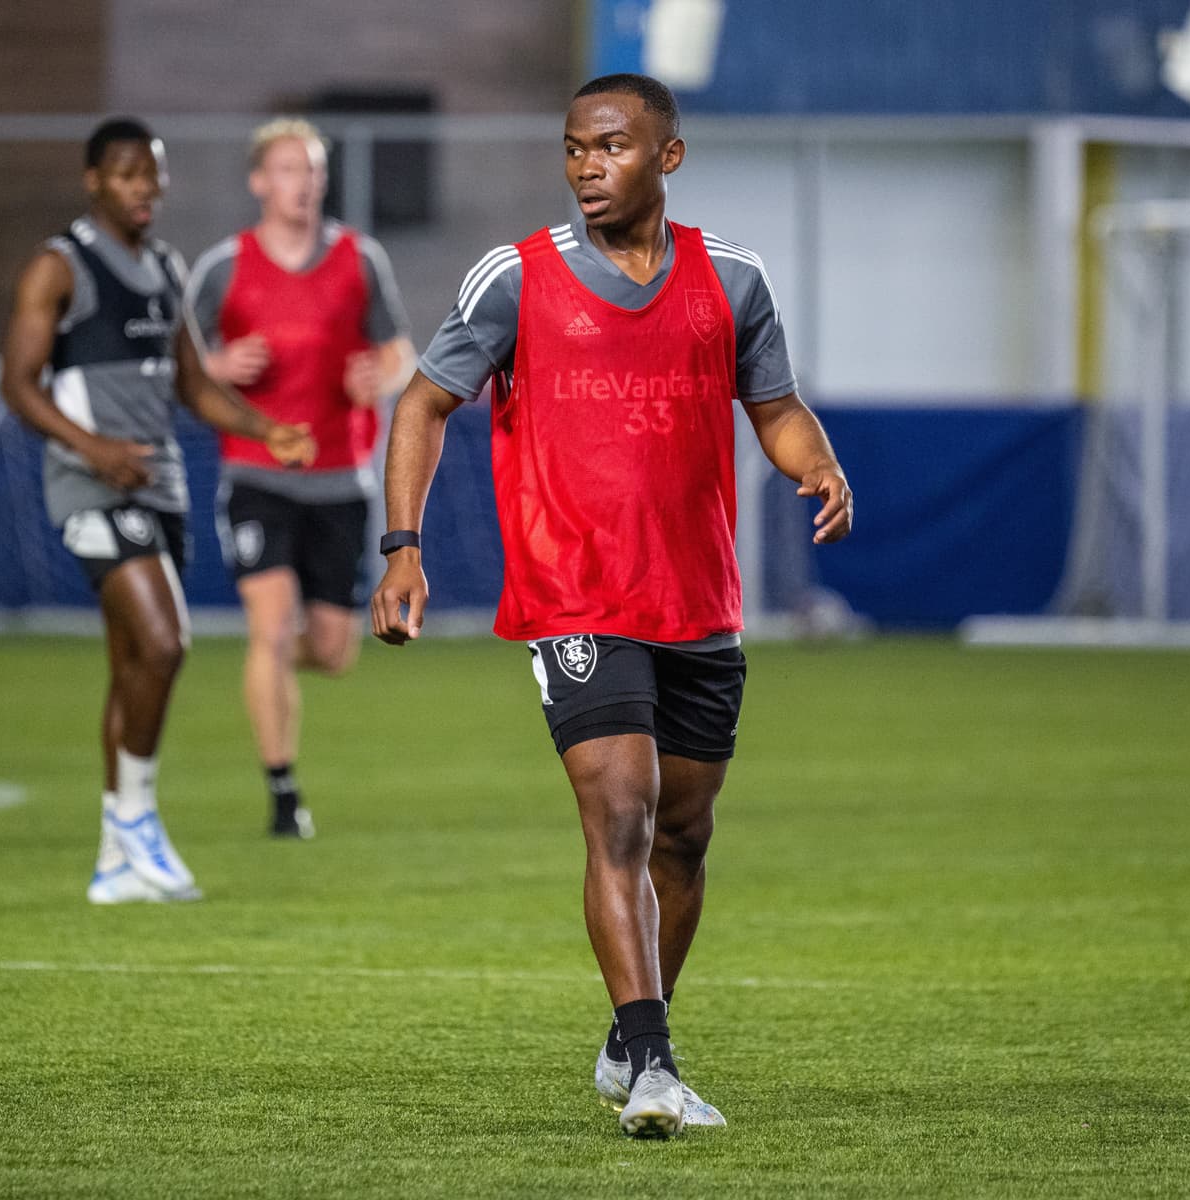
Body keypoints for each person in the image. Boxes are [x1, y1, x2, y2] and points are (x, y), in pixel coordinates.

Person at [370, 75, 852, 1138]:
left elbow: (775, 408)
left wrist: (815, 465)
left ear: (665, 158)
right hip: (573, 593)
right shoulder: (517, 277)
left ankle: (628, 1038)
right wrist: (403, 547)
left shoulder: (733, 280)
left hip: (700, 604)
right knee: (622, 814)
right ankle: (656, 1066)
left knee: (684, 835)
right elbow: (422, 401)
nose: (587, 165)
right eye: (575, 148)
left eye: (611, 147)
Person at [0, 118, 315, 904]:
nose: (146, 188)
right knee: (167, 642)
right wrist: (92, 447)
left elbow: (193, 383)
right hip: (93, 483)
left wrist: (262, 425)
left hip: (161, 483)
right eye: (129, 174)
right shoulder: (58, 266)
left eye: (155, 175)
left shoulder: (168, 267)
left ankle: (114, 861)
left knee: (133, 666)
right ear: (94, 181)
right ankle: (139, 819)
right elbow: (17, 383)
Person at [185, 118, 414, 839]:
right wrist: (218, 368)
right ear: (260, 181)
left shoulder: (360, 258)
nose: (304, 182)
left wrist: (382, 372)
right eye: (289, 168)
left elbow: (401, 350)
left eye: (313, 169)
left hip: (343, 478)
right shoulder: (223, 267)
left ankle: (268, 669)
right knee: (272, 624)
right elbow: (179, 363)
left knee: (332, 649)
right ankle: (284, 794)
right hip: (257, 472)